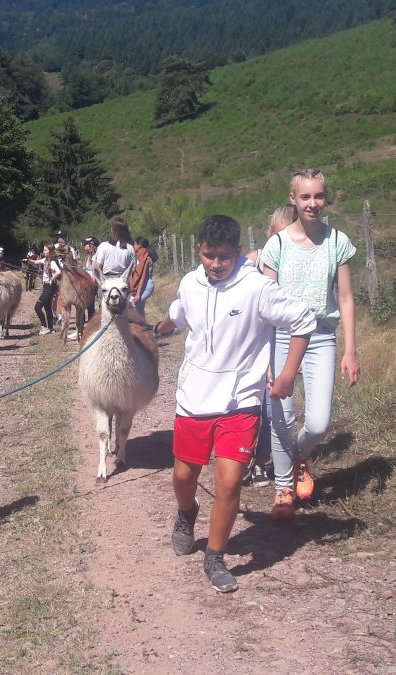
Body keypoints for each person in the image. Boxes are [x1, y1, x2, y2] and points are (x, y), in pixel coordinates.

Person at [154, 214, 315, 592]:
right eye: (209, 255)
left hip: (240, 401)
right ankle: (186, 512)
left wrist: (289, 373)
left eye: (224, 257)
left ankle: (215, 556)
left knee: (228, 484)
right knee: (183, 476)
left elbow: (303, 320)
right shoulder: (190, 283)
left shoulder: (256, 288)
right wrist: (151, 328)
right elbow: (177, 316)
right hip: (194, 399)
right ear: (199, 251)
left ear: (238, 253)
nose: (216, 264)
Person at [259, 169, 360, 520]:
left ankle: (298, 457)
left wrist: (350, 349)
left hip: (321, 337)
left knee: (318, 423)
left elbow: (345, 298)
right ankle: (283, 490)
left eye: (318, 196)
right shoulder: (278, 245)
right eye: (305, 197)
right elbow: (266, 305)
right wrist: (265, 354)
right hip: (282, 336)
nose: (313, 203)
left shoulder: (337, 242)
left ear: (325, 198)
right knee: (281, 417)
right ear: (293, 199)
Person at [246, 203, 298, 488]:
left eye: (289, 235)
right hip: (257, 341)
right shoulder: (254, 260)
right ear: (269, 233)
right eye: (278, 234)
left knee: (273, 405)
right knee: (256, 404)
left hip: (284, 340)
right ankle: (250, 458)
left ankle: (267, 461)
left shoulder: (297, 261)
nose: (282, 241)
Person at [32, 243, 62, 335]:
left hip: (49, 287)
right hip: (46, 287)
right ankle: (51, 328)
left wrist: (53, 278)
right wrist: (27, 260)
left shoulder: (52, 262)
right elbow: (35, 262)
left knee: (37, 307)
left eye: (45, 250)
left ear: (50, 251)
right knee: (47, 308)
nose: (43, 251)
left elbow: (59, 272)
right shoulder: (45, 260)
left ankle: (44, 326)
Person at [129, 236, 154, 315]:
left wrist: (138, 294)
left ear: (139, 246)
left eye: (135, 244)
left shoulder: (145, 259)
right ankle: (144, 326)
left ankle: (137, 326)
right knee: (140, 311)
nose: (133, 246)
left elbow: (142, 277)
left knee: (133, 307)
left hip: (145, 285)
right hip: (142, 285)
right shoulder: (138, 257)